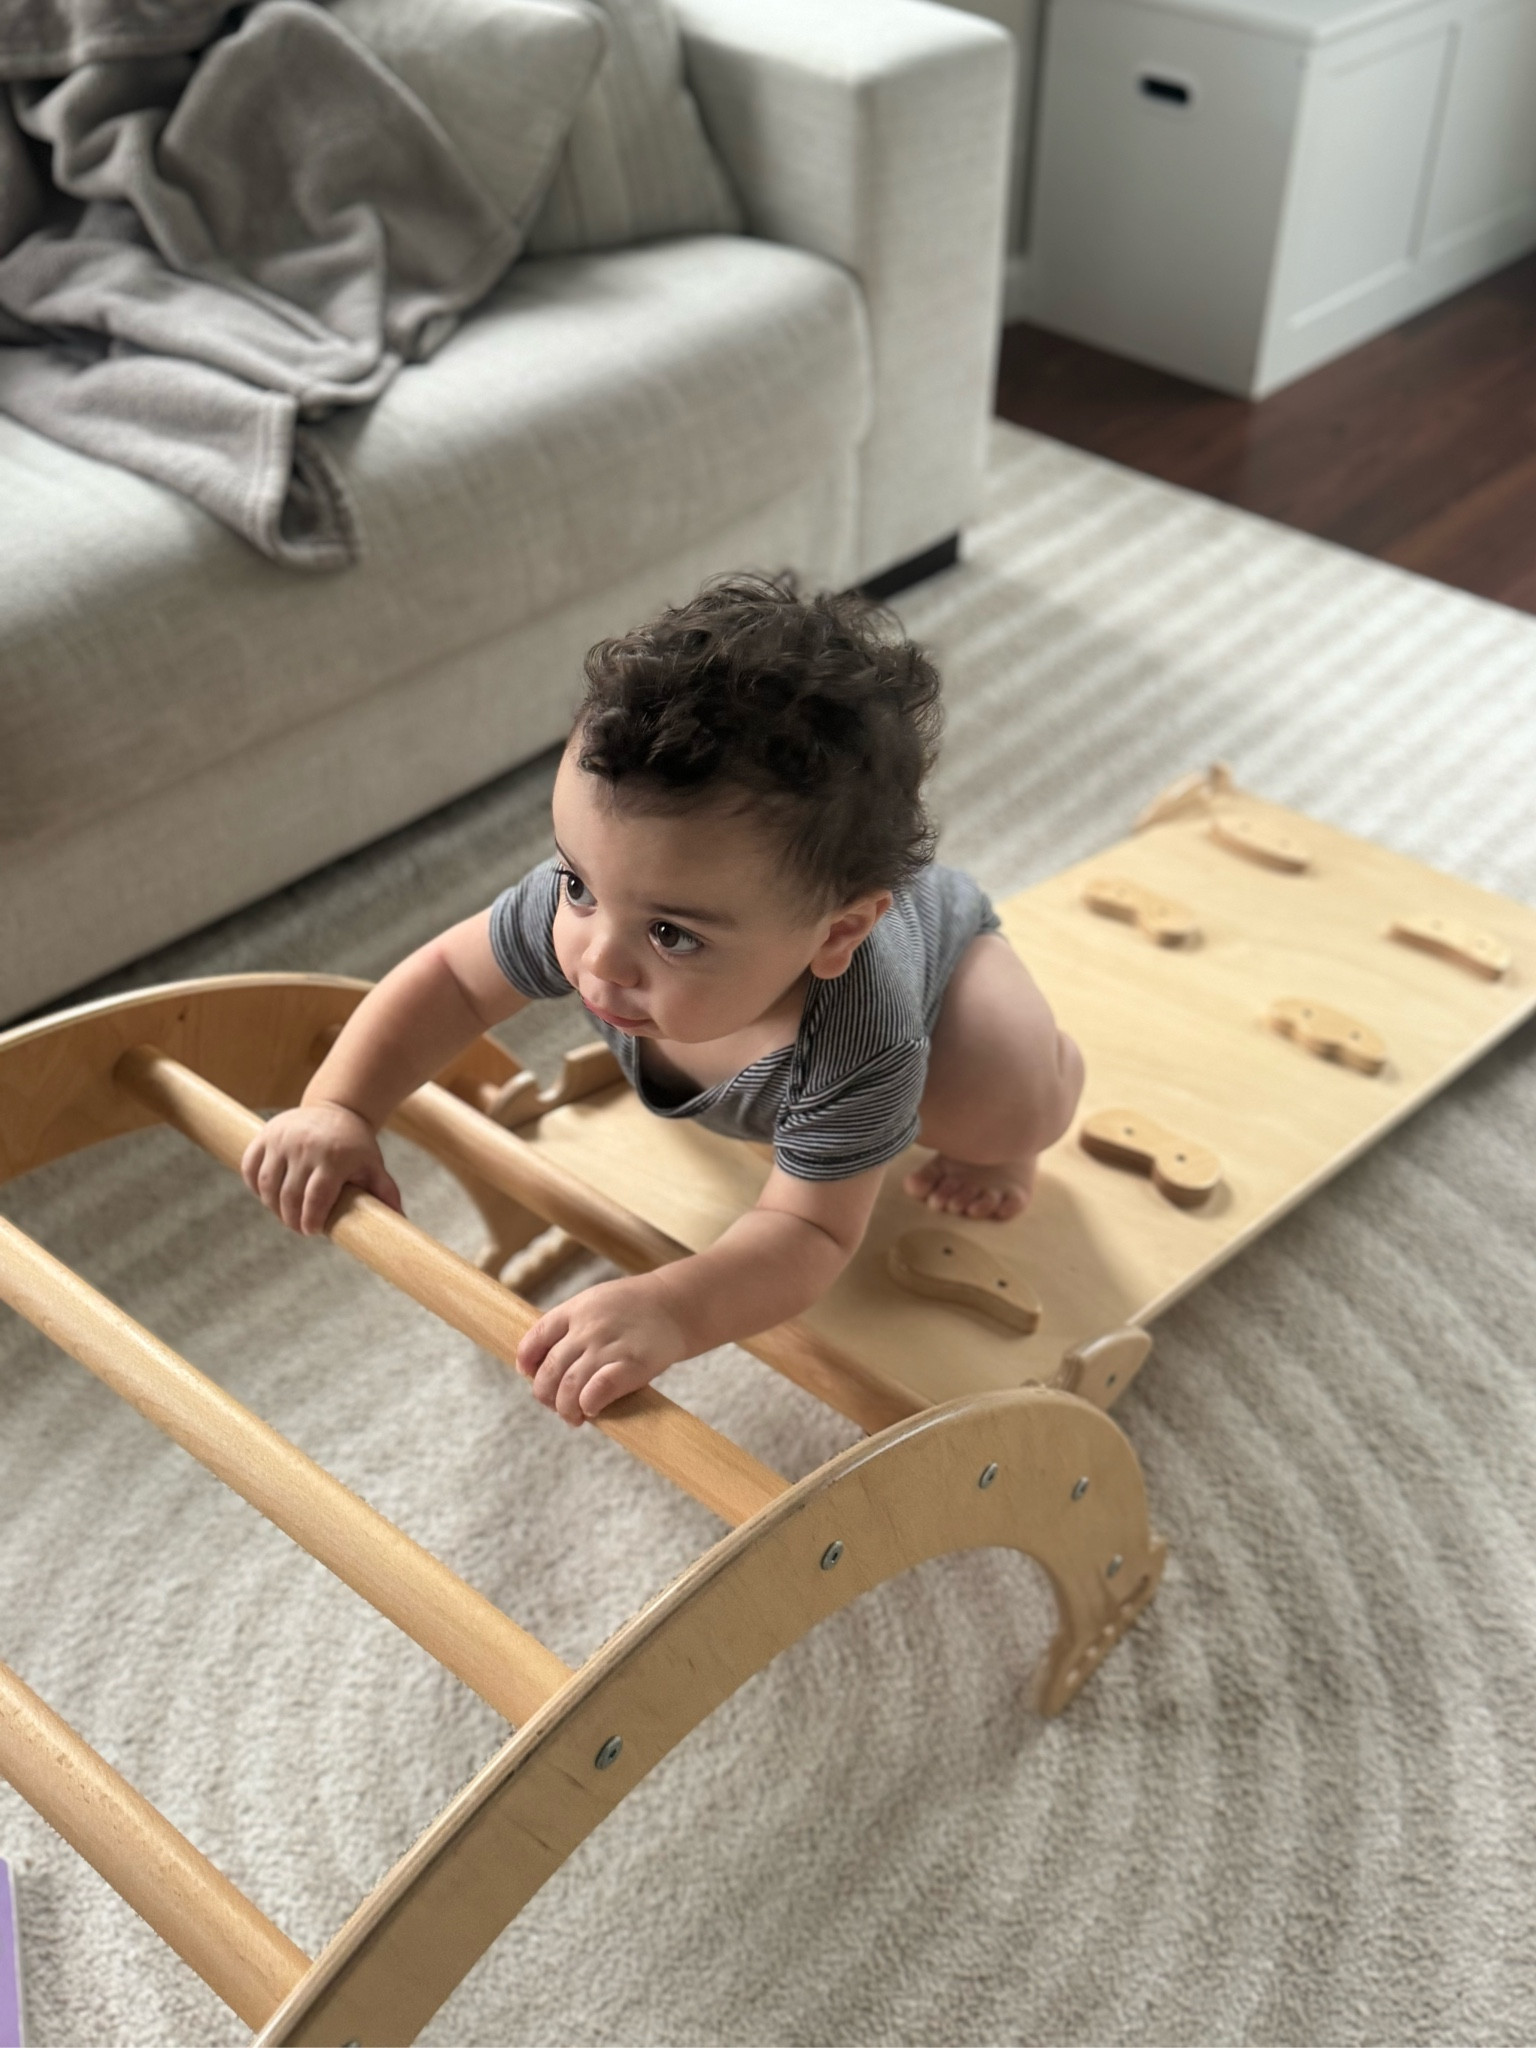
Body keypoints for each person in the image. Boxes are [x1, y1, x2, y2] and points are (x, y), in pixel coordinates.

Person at [241, 574, 1084, 1425]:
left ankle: (1037, 1103)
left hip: (949, 969)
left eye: (672, 935)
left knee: (1002, 1100)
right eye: (576, 882)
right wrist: (342, 1108)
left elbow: (811, 1233)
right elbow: (451, 982)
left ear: (835, 934)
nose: (598, 959)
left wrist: (673, 1309)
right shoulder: (610, 904)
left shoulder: (868, 1040)